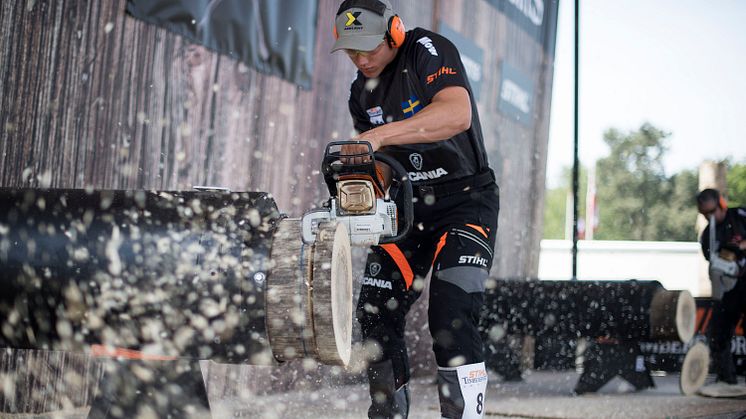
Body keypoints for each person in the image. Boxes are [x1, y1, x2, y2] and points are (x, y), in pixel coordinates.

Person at [330, 1, 500, 418]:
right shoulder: (359, 92)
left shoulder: (426, 49)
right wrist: (359, 191)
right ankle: (388, 413)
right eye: (352, 51)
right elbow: (382, 170)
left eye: (370, 47)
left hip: (465, 202)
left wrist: (379, 137)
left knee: (452, 313)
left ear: (395, 32)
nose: (362, 59)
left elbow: (456, 113)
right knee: (374, 311)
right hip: (406, 211)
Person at [696, 188, 746, 385]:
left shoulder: (740, 216)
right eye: (705, 214)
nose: (710, 217)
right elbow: (714, 263)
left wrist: (741, 247)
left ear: (721, 205)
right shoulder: (707, 236)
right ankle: (726, 380)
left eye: (712, 211)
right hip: (728, 289)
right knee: (718, 333)